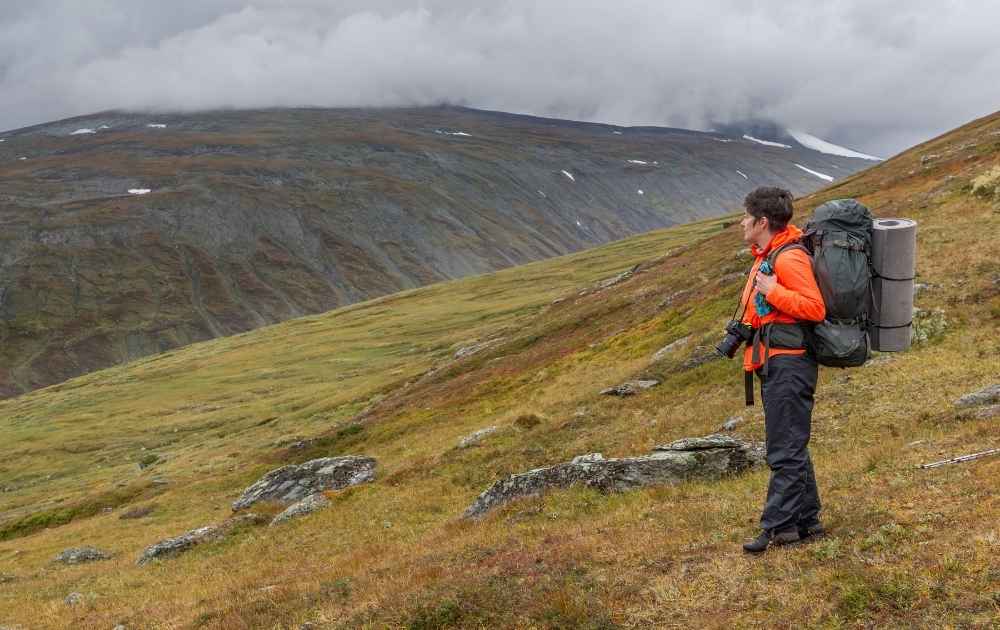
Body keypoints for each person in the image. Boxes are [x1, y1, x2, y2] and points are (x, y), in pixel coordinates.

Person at [736, 187, 827, 554]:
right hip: (776, 360)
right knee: (791, 444)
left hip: (789, 362)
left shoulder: (788, 258)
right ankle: (804, 522)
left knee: (784, 450)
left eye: (746, 217)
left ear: (761, 222)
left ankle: (775, 527)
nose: (741, 222)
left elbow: (814, 308)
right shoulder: (770, 254)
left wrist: (773, 291)